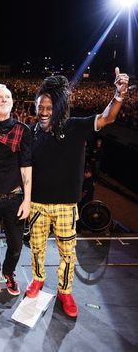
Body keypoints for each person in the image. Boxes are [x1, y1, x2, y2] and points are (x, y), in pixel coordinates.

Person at [25, 68, 129, 318]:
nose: (44, 112)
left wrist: (118, 95)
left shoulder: (75, 126)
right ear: (36, 107)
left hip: (65, 206)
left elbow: (107, 119)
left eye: (49, 108)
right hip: (37, 205)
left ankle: (65, 291)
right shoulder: (31, 132)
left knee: (67, 253)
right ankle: (38, 278)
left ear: (58, 107)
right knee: (37, 248)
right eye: (41, 107)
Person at [0, 84, 32, 296]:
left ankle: (8, 272)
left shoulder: (22, 130)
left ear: (12, 102)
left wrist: (27, 199)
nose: (3, 99)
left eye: (7, 97)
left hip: (14, 197)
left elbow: (26, 166)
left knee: (16, 244)